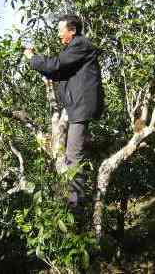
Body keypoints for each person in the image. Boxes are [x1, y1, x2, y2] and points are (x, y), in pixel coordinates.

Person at [23, 14, 104, 210]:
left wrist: (33, 58)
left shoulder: (80, 45)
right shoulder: (75, 48)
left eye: (61, 30)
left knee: (72, 156)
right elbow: (56, 70)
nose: (59, 34)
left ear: (73, 30)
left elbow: (56, 65)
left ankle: (75, 206)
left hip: (81, 109)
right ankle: (76, 197)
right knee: (71, 151)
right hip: (76, 107)